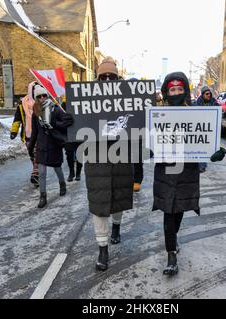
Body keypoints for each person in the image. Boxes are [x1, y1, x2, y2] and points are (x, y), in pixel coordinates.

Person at [153, 72, 226, 276]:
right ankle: (171, 256)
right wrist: (148, 148)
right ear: (166, 92)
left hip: (187, 171)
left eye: (179, 89)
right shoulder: (157, 114)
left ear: (185, 91)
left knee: (178, 211)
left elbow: (205, 139)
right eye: (172, 89)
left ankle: (173, 238)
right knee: (169, 211)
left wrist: (214, 153)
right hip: (166, 170)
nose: (175, 92)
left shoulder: (196, 113)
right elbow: (149, 141)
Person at [84, 57, 134, 271]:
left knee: (118, 198)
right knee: (100, 204)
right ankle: (102, 248)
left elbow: (140, 125)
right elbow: (76, 128)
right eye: (102, 76)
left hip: (122, 157)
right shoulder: (86, 100)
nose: (106, 79)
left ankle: (116, 226)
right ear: (97, 78)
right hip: (97, 160)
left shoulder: (129, 96)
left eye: (111, 76)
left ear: (117, 77)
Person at [27, 86, 74, 208]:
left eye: (44, 95)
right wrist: (30, 146)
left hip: (54, 145)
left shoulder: (56, 109)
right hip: (42, 147)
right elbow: (35, 132)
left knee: (57, 169)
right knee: (41, 173)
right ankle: (43, 196)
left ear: (47, 96)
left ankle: (62, 184)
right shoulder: (36, 112)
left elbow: (68, 122)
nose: (42, 98)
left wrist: (55, 124)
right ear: (36, 98)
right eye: (39, 96)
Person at [10, 81, 40, 186]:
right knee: (32, 154)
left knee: (37, 153)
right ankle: (37, 172)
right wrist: (14, 131)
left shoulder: (42, 102)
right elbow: (17, 119)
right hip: (27, 135)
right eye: (33, 89)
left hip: (40, 134)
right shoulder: (22, 105)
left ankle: (35, 174)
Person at [196, 86, 219, 173]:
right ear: (202, 94)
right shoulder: (198, 102)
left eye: (210, 93)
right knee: (201, 147)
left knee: (205, 148)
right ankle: (201, 166)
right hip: (200, 128)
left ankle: (203, 165)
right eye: (207, 94)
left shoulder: (214, 102)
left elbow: (218, 111)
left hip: (210, 128)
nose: (209, 95)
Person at [61, 97, 83, 182]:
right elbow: (61, 119)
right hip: (68, 135)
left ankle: (78, 173)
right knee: (69, 155)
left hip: (80, 133)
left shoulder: (79, 103)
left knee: (79, 155)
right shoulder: (63, 105)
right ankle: (71, 172)